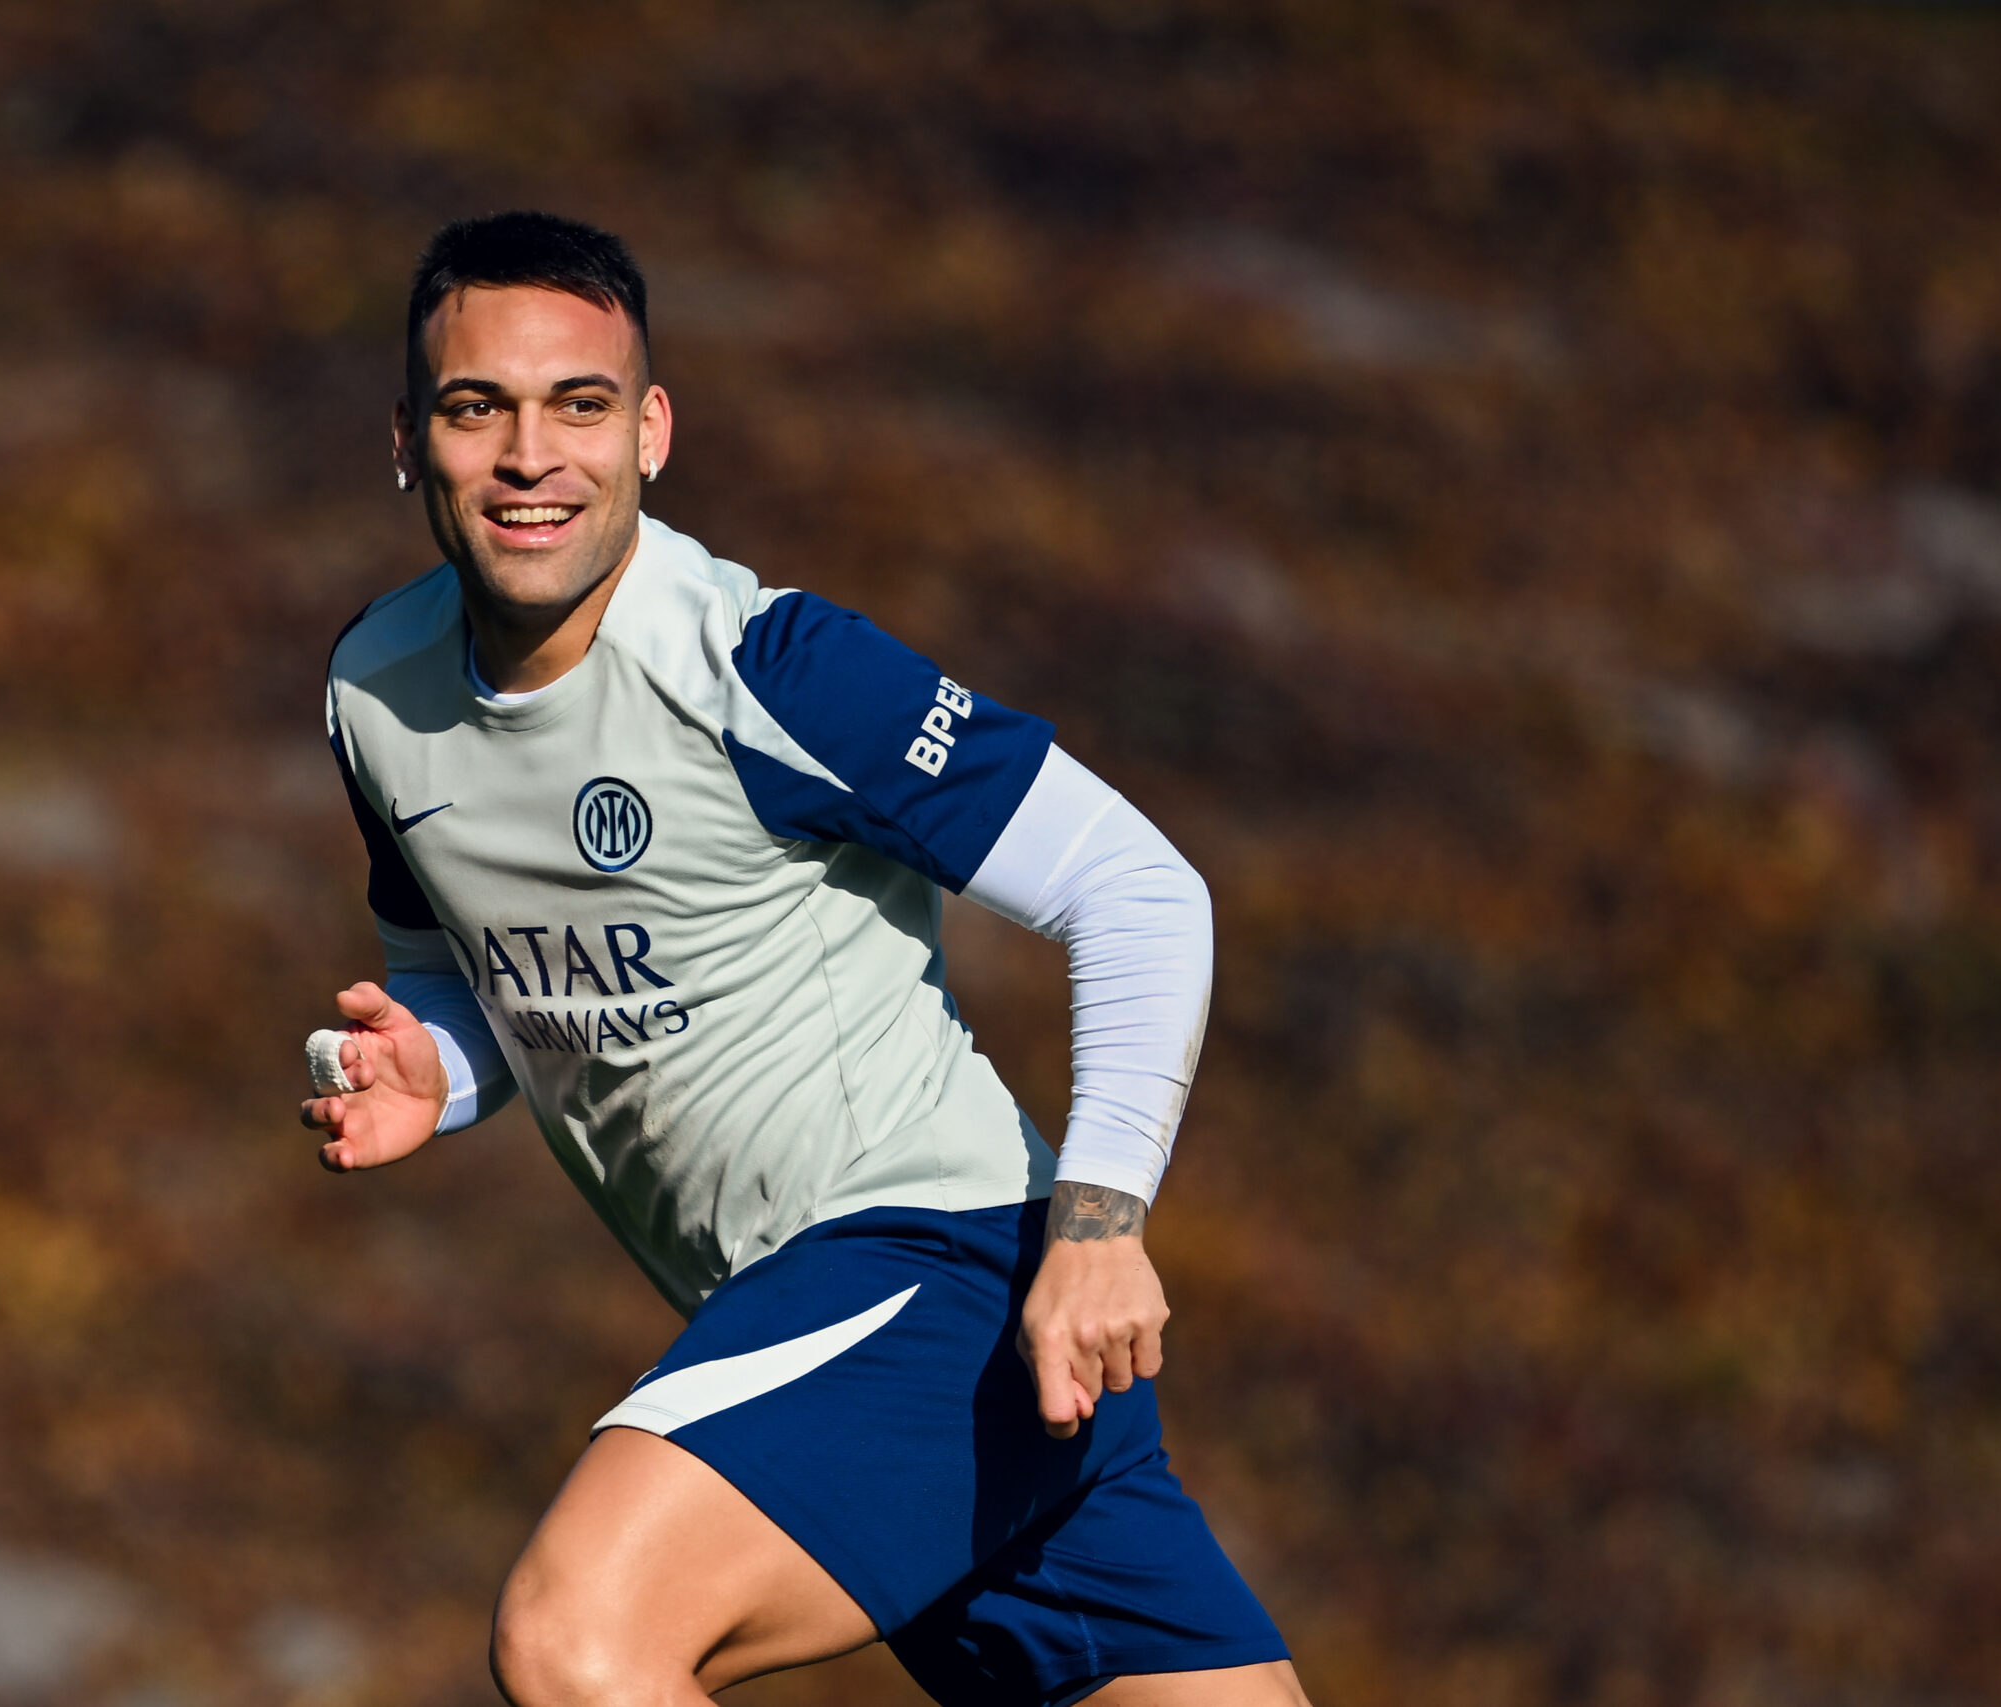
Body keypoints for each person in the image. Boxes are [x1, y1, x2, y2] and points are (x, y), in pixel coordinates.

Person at [302, 211, 1309, 1707]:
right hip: (883, 1368)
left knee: (577, 1640)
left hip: (939, 1270)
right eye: (475, 408)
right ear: (408, 440)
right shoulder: (374, 695)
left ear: (650, 433)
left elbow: (1138, 888)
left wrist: (1101, 1226)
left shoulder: (766, 668)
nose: (529, 456)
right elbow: (489, 977)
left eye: (579, 405)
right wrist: (438, 1069)